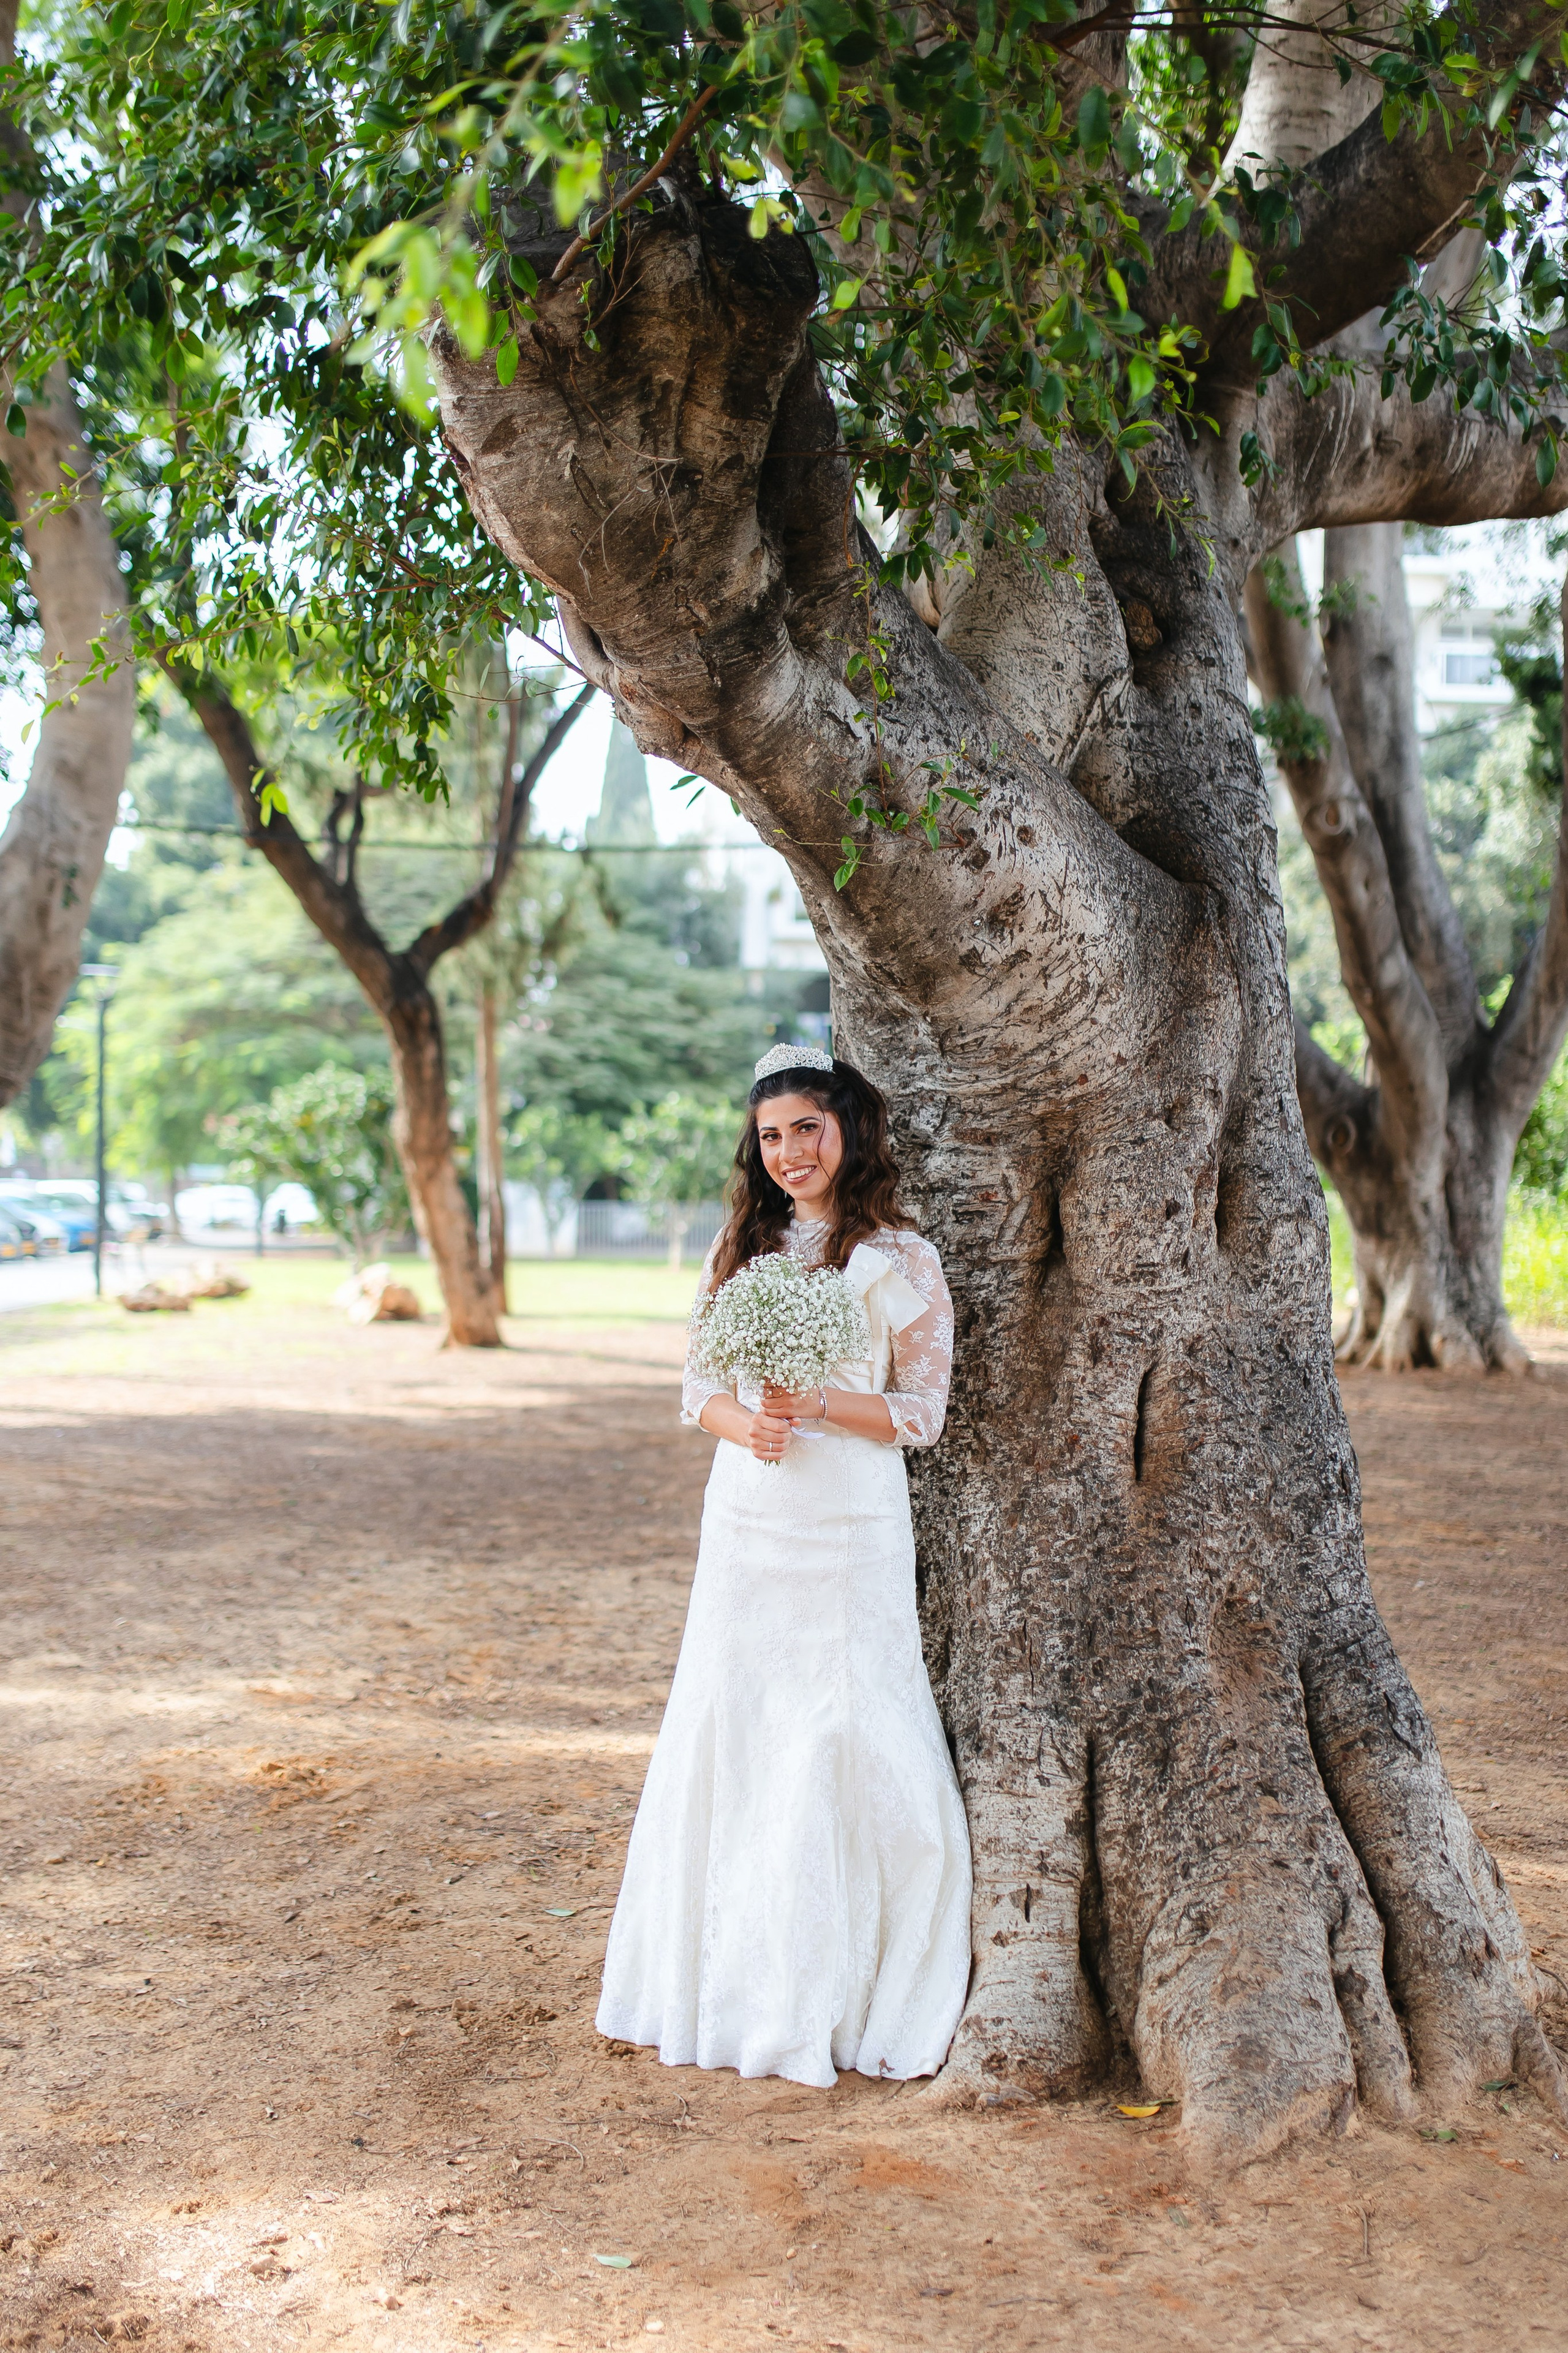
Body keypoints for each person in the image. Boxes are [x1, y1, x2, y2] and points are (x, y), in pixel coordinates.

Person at [595, 1043, 972, 2087]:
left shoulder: (901, 1257)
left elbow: (923, 1412)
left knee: (846, 1714)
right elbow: (698, 1390)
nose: (789, 1151)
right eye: (770, 1135)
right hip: (750, 1514)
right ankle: (729, 1976)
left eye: (807, 1126)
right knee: (740, 1708)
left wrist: (820, 1405)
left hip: (849, 1516)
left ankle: (847, 1984)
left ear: (849, 1129)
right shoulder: (743, 1247)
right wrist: (750, 1425)